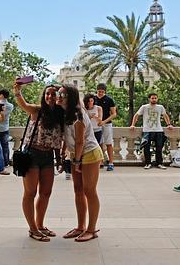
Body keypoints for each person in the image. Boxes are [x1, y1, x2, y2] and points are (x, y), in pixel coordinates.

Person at [13, 82, 64, 242]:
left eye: (53, 94)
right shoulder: (36, 110)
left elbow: (58, 138)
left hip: (48, 156)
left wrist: (59, 158)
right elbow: (23, 103)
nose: (50, 96)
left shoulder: (59, 114)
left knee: (46, 192)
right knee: (30, 193)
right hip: (32, 154)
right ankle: (33, 228)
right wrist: (17, 90)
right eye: (47, 93)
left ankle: (40, 225)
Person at [58, 85, 103, 242]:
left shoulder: (78, 114)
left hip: (89, 153)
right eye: (59, 94)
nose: (59, 96)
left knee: (89, 191)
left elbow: (79, 141)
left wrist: (76, 161)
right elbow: (68, 138)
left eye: (62, 94)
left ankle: (91, 229)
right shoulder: (65, 113)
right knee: (78, 190)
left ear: (70, 97)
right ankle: (80, 226)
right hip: (76, 154)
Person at [130, 93, 173, 170]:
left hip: (158, 130)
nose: (154, 99)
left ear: (157, 99)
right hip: (147, 130)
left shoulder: (160, 107)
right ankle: (148, 163)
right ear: (149, 99)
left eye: (155, 98)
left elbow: (165, 115)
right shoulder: (144, 107)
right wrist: (133, 124)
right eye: (152, 98)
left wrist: (169, 124)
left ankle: (159, 163)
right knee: (146, 147)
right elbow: (136, 115)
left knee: (159, 147)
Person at [94, 83, 117, 171]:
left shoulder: (109, 99)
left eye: (102, 92)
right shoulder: (93, 99)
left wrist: (104, 121)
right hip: (96, 124)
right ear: (97, 90)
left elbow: (114, 114)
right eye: (99, 91)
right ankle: (100, 161)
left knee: (108, 143)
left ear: (105, 91)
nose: (100, 93)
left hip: (107, 124)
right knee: (98, 143)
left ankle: (111, 162)